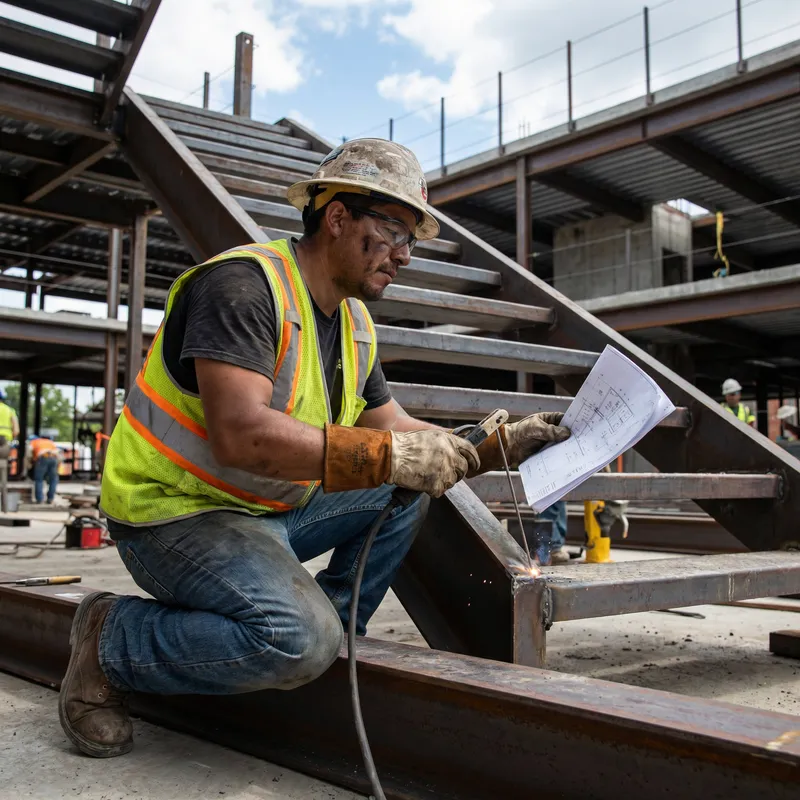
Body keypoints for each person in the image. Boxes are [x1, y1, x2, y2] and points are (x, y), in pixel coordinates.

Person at [59, 138, 571, 759]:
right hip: (175, 515)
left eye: (412, 238)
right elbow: (241, 433)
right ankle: (112, 641)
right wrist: (391, 456)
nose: (405, 254)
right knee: (296, 637)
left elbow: (396, 430)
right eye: (394, 230)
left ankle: (323, 635)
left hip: (265, 512)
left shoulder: (354, 324)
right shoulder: (244, 288)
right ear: (336, 217)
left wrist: (490, 447)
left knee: (400, 489)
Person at [0, 387, 19, 511]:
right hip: (4, 443)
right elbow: (16, 430)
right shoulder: (9, 410)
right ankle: (5, 507)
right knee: (3, 472)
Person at [30, 434, 60, 504]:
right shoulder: (50, 442)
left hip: (42, 458)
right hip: (53, 458)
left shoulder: (34, 442)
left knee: (39, 479)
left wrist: (31, 460)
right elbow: (57, 452)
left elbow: (29, 450)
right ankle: (50, 498)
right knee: (53, 479)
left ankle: (40, 499)